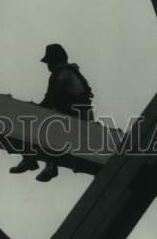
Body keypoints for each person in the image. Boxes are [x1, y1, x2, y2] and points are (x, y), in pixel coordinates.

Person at [8, 43, 94, 182]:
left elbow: (51, 98)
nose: (47, 66)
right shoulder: (70, 72)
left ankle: (43, 164)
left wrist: (35, 109)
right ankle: (34, 160)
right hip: (80, 115)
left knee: (33, 123)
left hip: (74, 117)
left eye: (49, 62)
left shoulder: (61, 73)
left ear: (55, 60)